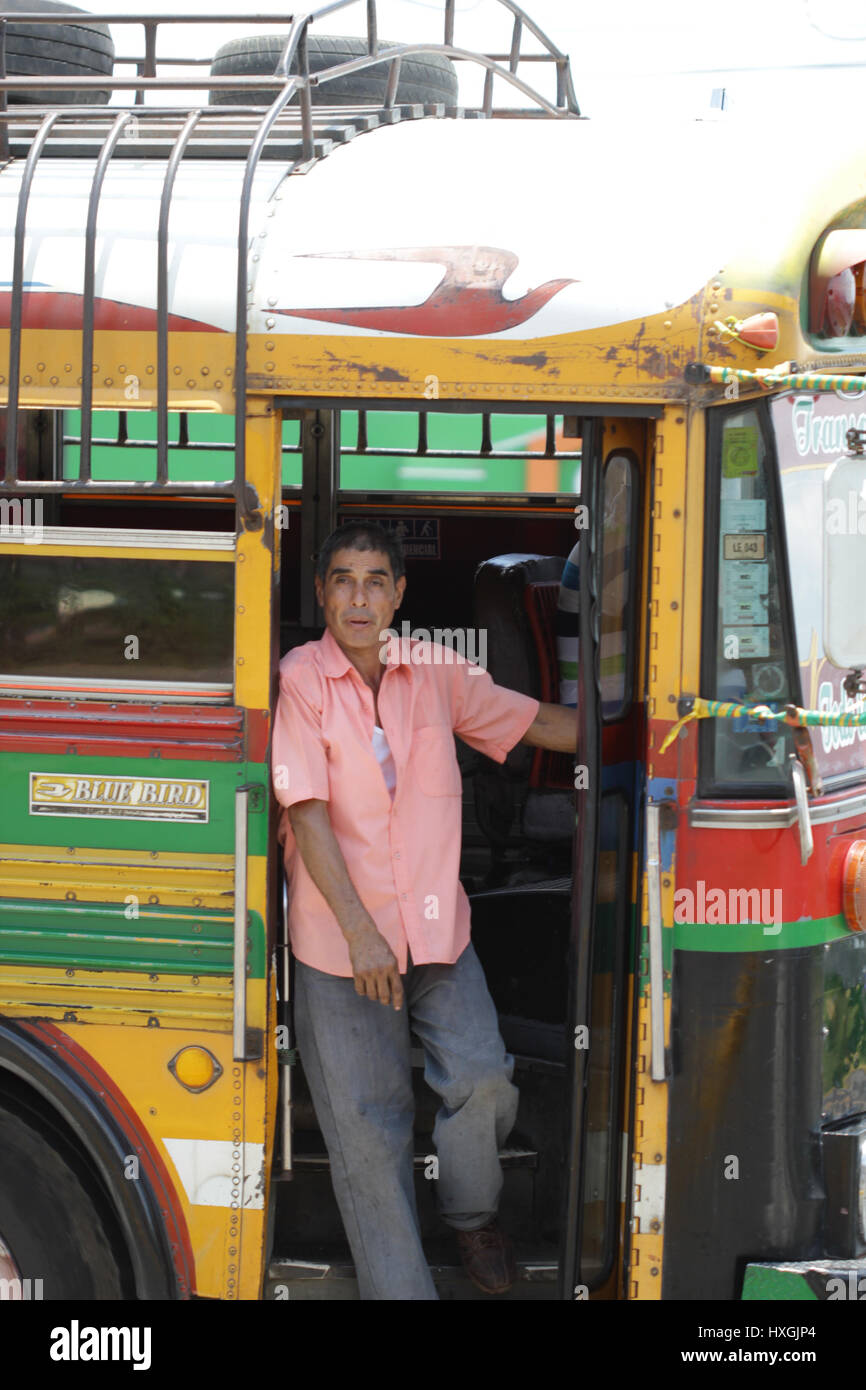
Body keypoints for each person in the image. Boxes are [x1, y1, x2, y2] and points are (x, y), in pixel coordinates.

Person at [272, 522, 576, 1300]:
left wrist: (675, 733)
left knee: (483, 1081)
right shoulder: (301, 678)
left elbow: (538, 723)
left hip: (437, 933)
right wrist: (363, 934)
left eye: (376, 581)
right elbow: (306, 813)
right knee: (369, 1139)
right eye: (343, 580)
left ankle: (473, 1216)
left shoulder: (437, 672)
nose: (359, 598)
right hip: (341, 947)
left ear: (400, 595)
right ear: (321, 593)